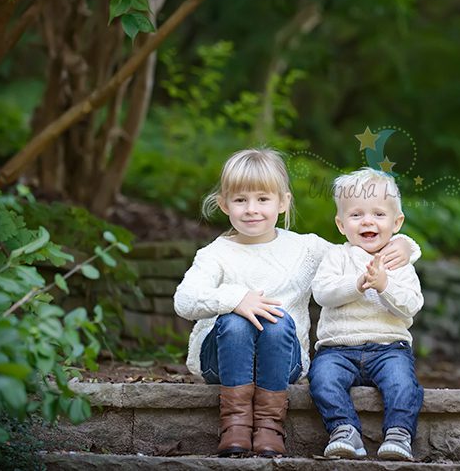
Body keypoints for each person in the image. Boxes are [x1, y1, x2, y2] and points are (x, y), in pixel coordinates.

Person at [173, 149, 419, 458]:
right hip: (221, 362)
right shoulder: (215, 253)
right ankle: (234, 424)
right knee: (236, 321)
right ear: (224, 204)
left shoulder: (305, 248)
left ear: (283, 202)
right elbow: (184, 300)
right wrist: (235, 299)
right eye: (240, 200)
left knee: (277, 322)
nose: (252, 209)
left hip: (282, 361)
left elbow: (358, 252)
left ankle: (269, 427)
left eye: (263, 199)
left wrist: (404, 246)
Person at [309, 168, 425, 461]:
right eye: (356, 215)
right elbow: (322, 293)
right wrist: (356, 284)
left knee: (402, 383)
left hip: (389, 348)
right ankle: (344, 429)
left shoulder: (399, 261)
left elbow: (411, 305)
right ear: (340, 224)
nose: (368, 221)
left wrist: (384, 286)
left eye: (378, 214)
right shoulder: (337, 256)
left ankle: (399, 434)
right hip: (338, 349)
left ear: (397, 222)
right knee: (322, 378)